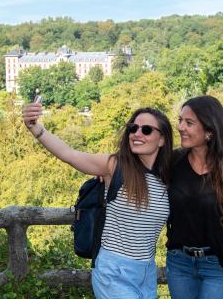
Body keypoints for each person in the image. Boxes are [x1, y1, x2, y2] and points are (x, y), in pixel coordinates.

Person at [22, 103, 173, 299]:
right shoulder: (115, 166)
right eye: (132, 128)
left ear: (161, 139)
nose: (137, 134)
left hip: (147, 273)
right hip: (114, 271)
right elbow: (69, 154)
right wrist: (36, 129)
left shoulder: (169, 176)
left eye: (146, 130)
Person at [166, 96, 223, 299]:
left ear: (209, 131)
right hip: (179, 264)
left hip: (220, 266)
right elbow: (139, 168)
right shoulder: (172, 163)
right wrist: (108, 173)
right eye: (180, 120)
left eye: (189, 123)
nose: (180, 127)